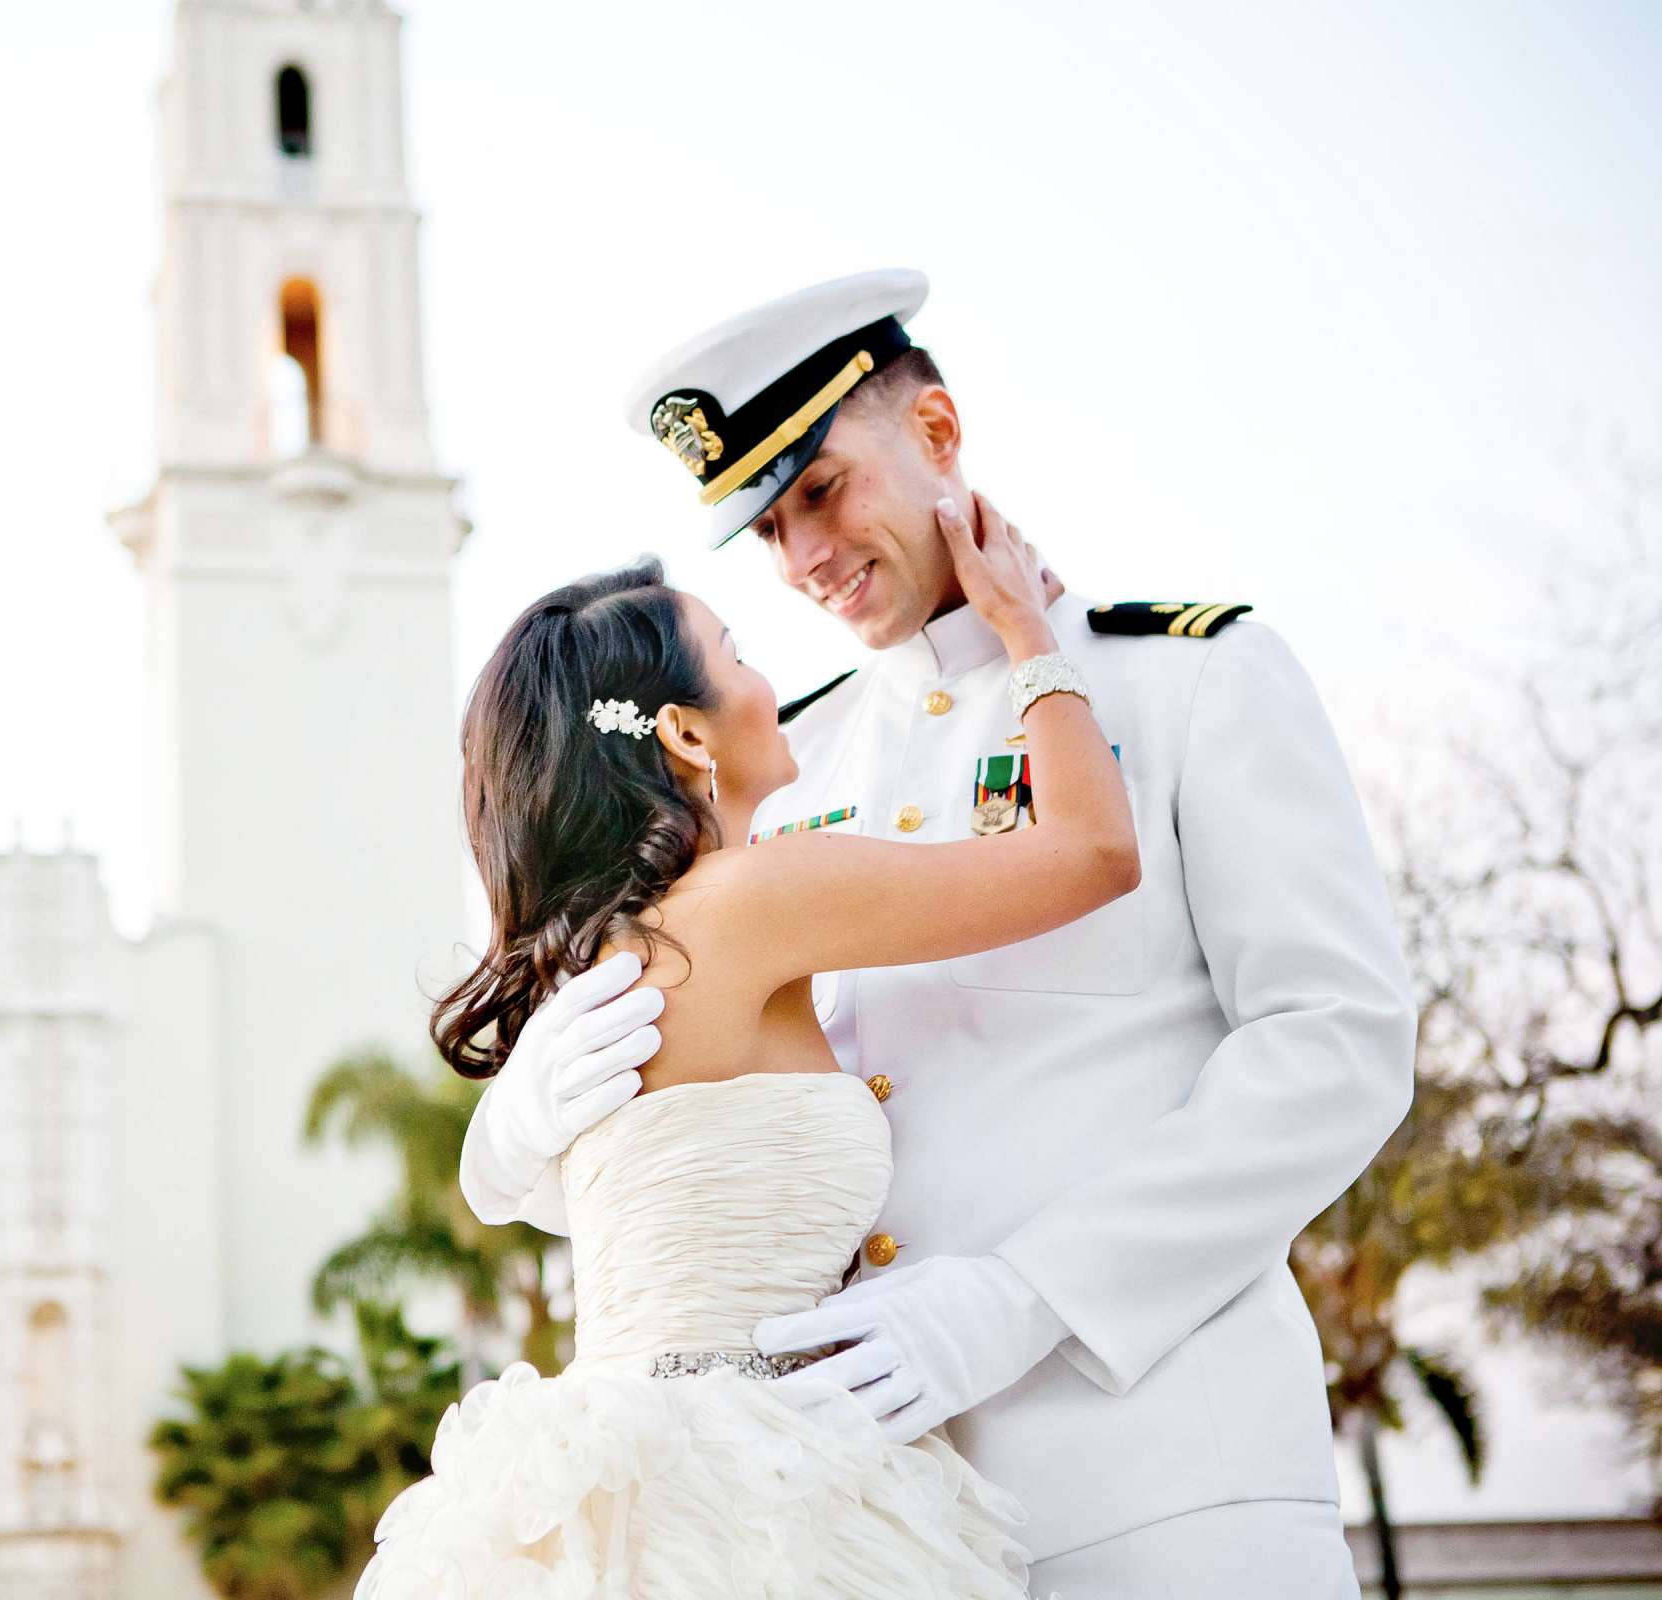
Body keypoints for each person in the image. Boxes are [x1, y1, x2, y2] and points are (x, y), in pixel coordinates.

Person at [459, 268, 1416, 1596]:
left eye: (820, 492)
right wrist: (516, 1136)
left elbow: (1338, 1051)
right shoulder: (784, 764)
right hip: (864, 1524)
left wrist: (1020, 1300)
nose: (803, 561)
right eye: (765, 531)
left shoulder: (1190, 677)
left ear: (939, 438)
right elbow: (707, 1152)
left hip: (1164, 1482)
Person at [360, 496, 1126, 1595]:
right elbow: (1094, 852)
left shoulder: (603, 960)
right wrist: (1026, 634)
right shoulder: (758, 896)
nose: (770, 682)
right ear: (683, 732)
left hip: (620, 1481)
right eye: (740, 653)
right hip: (756, 1495)